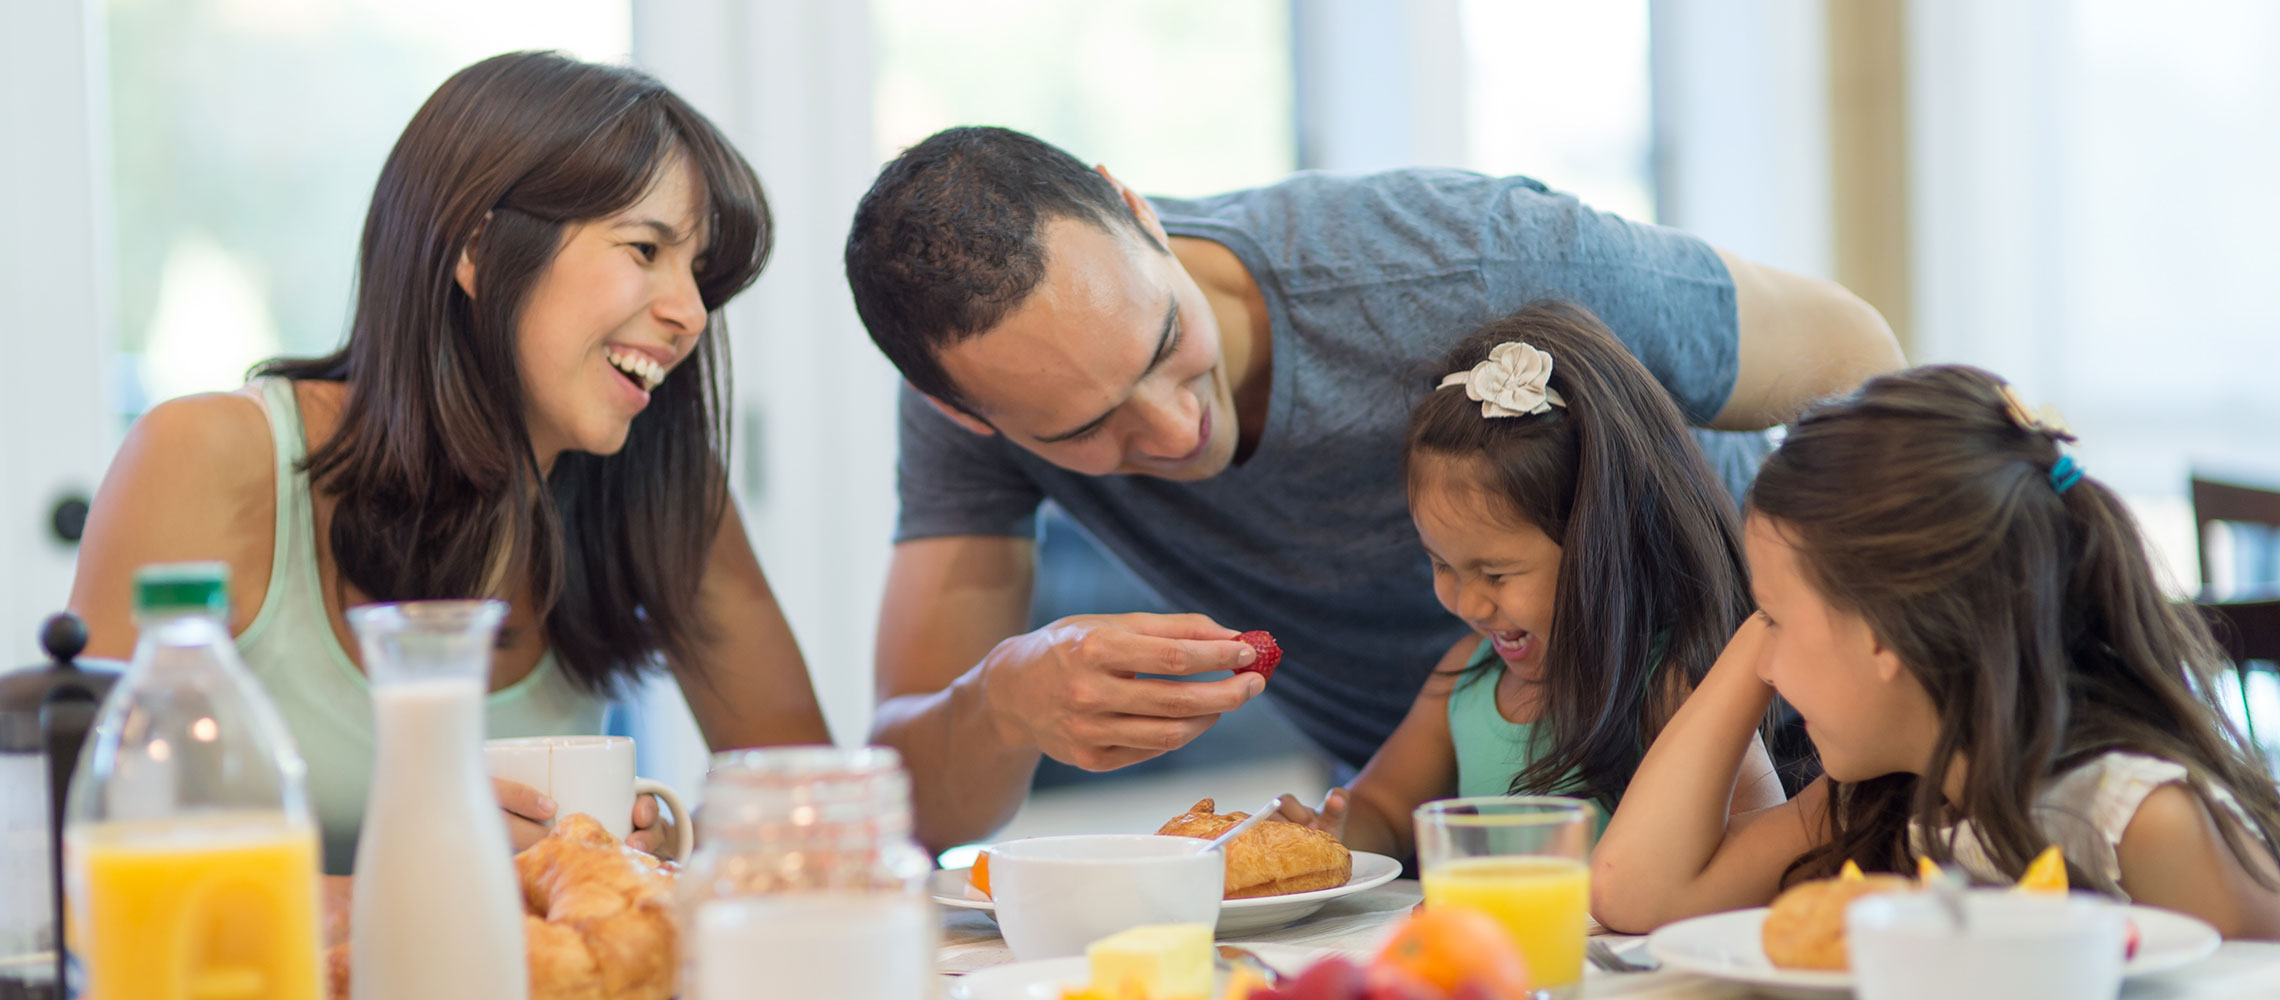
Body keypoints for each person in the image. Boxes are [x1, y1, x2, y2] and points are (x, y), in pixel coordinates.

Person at [843, 125, 1902, 850]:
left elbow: (1859, 354)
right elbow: (912, 809)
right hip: (1456, 847)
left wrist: (1797, 654)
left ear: (1140, 212)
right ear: (965, 415)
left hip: (1798, 768)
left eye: (1166, 341)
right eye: (1086, 427)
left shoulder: (1465, 262)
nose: (1174, 427)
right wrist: (1002, 702)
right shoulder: (977, 405)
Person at [69, 51, 831, 874]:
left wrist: (660, 852)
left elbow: (818, 819)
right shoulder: (208, 457)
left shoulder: (659, 490)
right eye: (646, 248)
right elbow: (88, 868)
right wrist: (419, 882)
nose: (688, 314)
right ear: (479, 247)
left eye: (700, 273)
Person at [1592, 366, 2280, 939]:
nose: (1764, 667)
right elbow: (1637, 894)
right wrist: (1762, 632)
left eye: (1772, 621)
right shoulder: (1892, 798)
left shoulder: (2139, 819)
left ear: (1883, 634)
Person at [1267, 303, 1785, 859]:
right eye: (1441, 564)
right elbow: (1385, 807)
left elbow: (1764, 841)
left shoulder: (1666, 688)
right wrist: (1333, 832)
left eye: (1495, 573)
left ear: (1599, 546)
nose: (1465, 601)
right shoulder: (1467, 679)